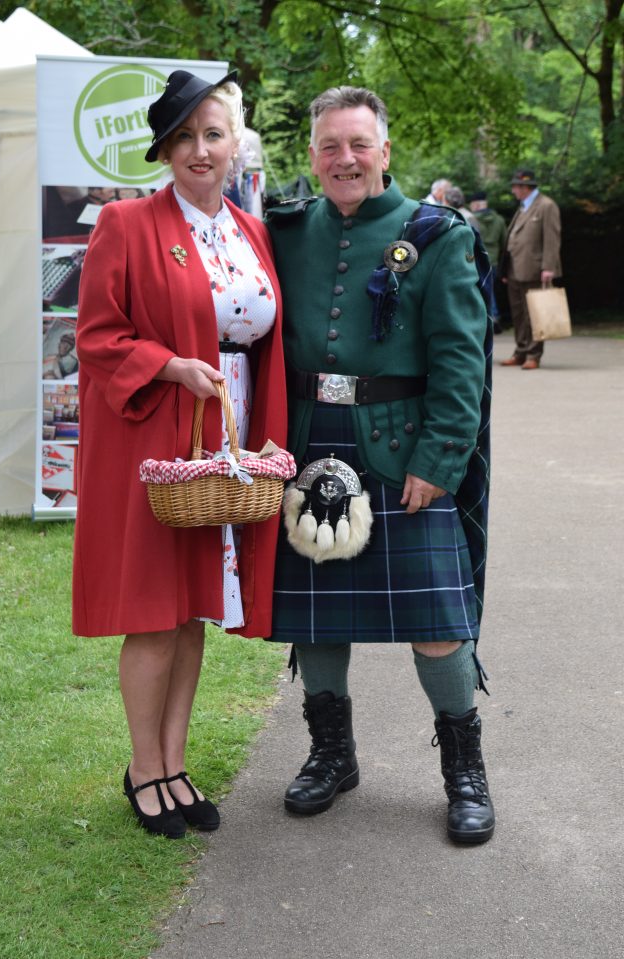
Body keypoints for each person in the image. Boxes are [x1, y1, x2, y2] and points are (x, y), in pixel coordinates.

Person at [266, 86, 495, 844]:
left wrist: (441, 458)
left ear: (385, 152)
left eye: (359, 144)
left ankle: (464, 766)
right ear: (312, 156)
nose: (345, 159)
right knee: (317, 615)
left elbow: (463, 364)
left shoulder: (438, 235)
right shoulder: (287, 229)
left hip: (401, 449)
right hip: (308, 445)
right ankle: (332, 753)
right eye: (330, 146)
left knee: (436, 618)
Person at [72, 70, 287, 838]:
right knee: (155, 613)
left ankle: (174, 759)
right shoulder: (127, 224)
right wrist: (168, 364)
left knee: (194, 607)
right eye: (185, 137)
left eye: (214, 134)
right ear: (165, 149)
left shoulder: (249, 229)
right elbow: (95, 336)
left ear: (235, 147)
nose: (201, 149)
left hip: (223, 435)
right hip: (158, 428)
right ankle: (143, 768)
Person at [501, 169, 562, 369]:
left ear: (525, 187)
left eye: (515, 186)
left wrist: (548, 267)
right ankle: (520, 351)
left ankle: (533, 355)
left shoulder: (546, 206)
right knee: (519, 314)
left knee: (535, 313)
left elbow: (552, 238)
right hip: (515, 270)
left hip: (535, 268)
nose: (513, 190)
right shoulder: (524, 207)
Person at [469, 190, 508, 334]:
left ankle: (490, 318)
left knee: (480, 291)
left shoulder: (472, 219)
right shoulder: (499, 220)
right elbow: (505, 242)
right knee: (491, 291)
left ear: (476, 205)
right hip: (494, 261)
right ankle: (494, 316)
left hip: (478, 260)